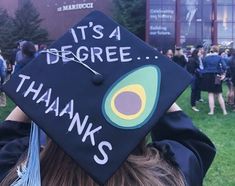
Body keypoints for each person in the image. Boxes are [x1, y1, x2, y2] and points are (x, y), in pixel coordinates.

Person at [0, 103, 216, 186]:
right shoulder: (167, 177)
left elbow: (8, 135)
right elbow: (191, 143)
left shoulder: (21, 175)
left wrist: (41, 83)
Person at [200, 45, 228, 115]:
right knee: (219, 94)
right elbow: (224, 66)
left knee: (210, 94)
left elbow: (204, 66)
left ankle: (211, 111)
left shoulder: (206, 58)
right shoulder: (219, 57)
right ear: (217, 51)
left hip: (207, 75)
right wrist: (223, 74)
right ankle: (224, 111)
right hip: (217, 75)